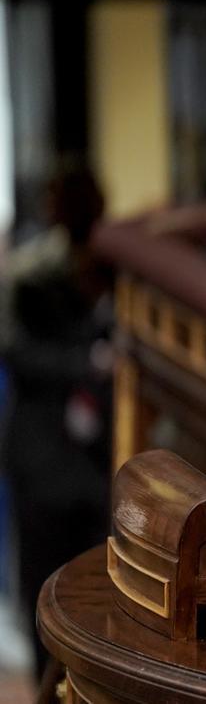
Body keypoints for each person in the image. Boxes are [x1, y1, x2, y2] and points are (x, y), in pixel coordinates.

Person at [0, 158, 112, 682]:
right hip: (44, 452)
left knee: (87, 578)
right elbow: (15, 351)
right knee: (41, 575)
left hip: (93, 460)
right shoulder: (31, 274)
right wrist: (83, 364)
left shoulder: (111, 266)